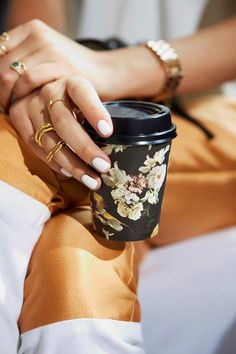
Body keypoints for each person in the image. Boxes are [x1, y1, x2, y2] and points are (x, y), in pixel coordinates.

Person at [0, 15, 235, 354]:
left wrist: (116, 67)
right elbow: (39, 30)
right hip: (70, 96)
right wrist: (35, 83)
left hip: (202, 111)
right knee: (71, 263)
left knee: (13, 155)